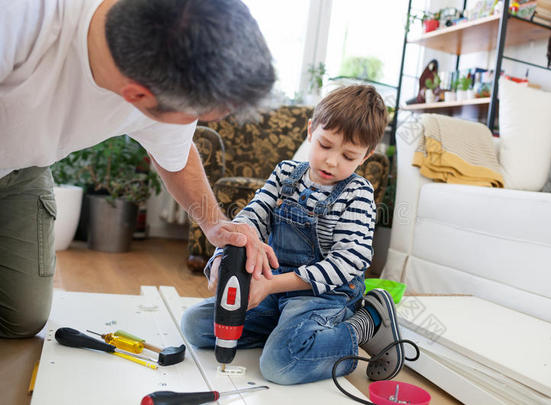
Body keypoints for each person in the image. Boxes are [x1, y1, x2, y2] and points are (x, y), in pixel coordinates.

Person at [0, 0, 279, 339]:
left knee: (22, 318)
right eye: (196, 116)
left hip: (22, 168)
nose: (192, 125)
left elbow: (174, 157)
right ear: (136, 95)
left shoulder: (161, 65)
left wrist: (216, 223)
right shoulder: (21, 18)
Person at [181, 85, 404, 385]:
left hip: (323, 296)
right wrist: (224, 258)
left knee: (279, 364)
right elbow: (251, 218)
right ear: (311, 131)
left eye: (348, 156)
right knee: (194, 325)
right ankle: (286, 328)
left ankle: (366, 324)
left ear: (366, 155)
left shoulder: (358, 195)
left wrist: (271, 285)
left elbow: (347, 262)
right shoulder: (286, 174)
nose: (331, 161)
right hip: (272, 291)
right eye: (325, 145)